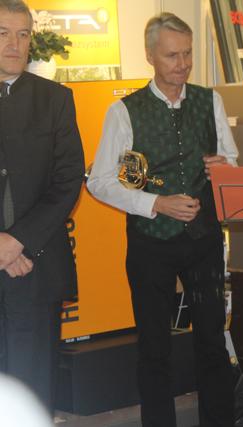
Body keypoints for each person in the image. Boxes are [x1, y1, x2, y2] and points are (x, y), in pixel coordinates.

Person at [87, 12, 237, 427]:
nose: (182, 64)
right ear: (150, 55)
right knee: (154, 349)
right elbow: (100, 182)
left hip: (204, 238)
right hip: (150, 241)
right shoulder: (124, 111)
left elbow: (231, 158)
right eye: (173, 55)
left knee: (212, 342)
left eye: (187, 54)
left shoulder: (210, 100)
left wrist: (224, 166)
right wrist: (156, 203)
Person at [0, 0, 84, 413]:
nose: (13, 45)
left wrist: (17, 241)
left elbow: (68, 181)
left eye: (23, 34)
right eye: (2, 33)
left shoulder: (55, 99)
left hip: (35, 268)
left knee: (31, 392)